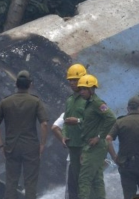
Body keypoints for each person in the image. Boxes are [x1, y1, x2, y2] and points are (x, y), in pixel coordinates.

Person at [0, 70, 48, 199]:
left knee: (11, 182)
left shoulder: (5, 102)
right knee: (30, 183)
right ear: (30, 85)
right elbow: (44, 124)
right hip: (31, 147)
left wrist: (1, 145)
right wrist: (42, 144)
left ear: (16, 84)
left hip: (11, 147)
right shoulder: (35, 102)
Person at [77, 74, 116, 199]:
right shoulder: (88, 104)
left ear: (92, 89)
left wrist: (99, 136)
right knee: (97, 179)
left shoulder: (97, 103)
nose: (81, 92)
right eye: (80, 89)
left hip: (95, 147)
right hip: (91, 146)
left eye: (84, 89)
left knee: (84, 179)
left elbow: (111, 118)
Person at [106, 95, 139, 199]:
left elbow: (108, 139)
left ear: (128, 108)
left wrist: (114, 157)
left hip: (126, 164)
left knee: (129, 195)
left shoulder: (120, 122)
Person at [61, 63, 87, 199]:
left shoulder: (90, 100)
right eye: (70, 80)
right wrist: (64, 135)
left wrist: (78, 121)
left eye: (75, 80)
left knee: (85, 187)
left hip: (86, 150)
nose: (72, 83)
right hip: (73, 151)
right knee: (72, 188)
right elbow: (65, 121)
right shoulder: (70, 100)